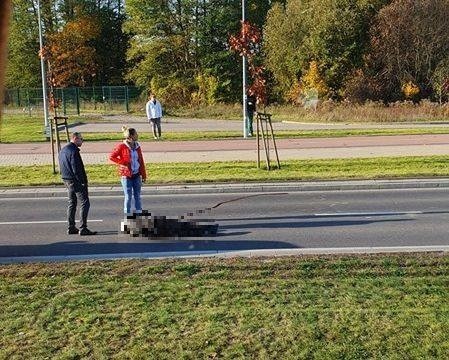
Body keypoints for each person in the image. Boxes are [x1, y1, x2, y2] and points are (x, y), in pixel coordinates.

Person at [59, 132, 97, 236]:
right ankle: (83, 228)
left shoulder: (63, 150)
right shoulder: (74, 151)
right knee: (85, 202)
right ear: (75, 138)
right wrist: (83, 182)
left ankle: (71, 227)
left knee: (72, 203)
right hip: (76, 181)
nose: (82, 140)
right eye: (81, 138)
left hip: (66, 179)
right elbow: (77, 168)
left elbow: (61, 165)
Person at [109, 126, 147, 215]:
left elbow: (141, 161)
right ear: (131, 137)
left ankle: (139, 216)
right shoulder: (122, 146)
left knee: (137, 196)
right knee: (128, 196)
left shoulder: (137, 146)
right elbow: (112, 156)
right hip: (126, 176)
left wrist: (143, 175)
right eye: (136, 134)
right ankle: (128, 216)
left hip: (136, 175)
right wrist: (123, 162)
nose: (137, 135)